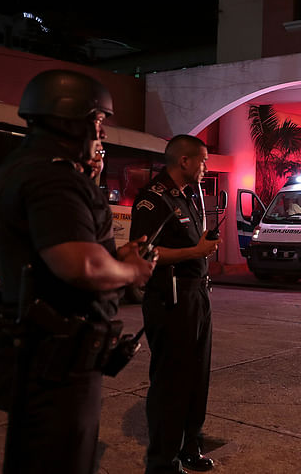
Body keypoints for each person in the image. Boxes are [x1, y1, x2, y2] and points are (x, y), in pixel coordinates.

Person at [0, 69, 156, 474]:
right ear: (69, 120)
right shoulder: (53, 175)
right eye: (97, 121)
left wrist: (116, 255)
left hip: (41, 353)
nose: (101, 135)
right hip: (57, 359)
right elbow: (80, 264)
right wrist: (131, 271)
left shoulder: (21, 166)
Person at [130, 135, 220, 474]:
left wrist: (201, 249)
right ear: (184, 161)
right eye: (202, 160)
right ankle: (162, 463)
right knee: (171, 381)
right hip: (170, 298)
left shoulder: (187, 197)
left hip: (197, 295)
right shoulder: (153, 200)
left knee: (197, 377)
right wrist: (195, 253)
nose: (205, 167)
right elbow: (144, 252)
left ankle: (189, 446)